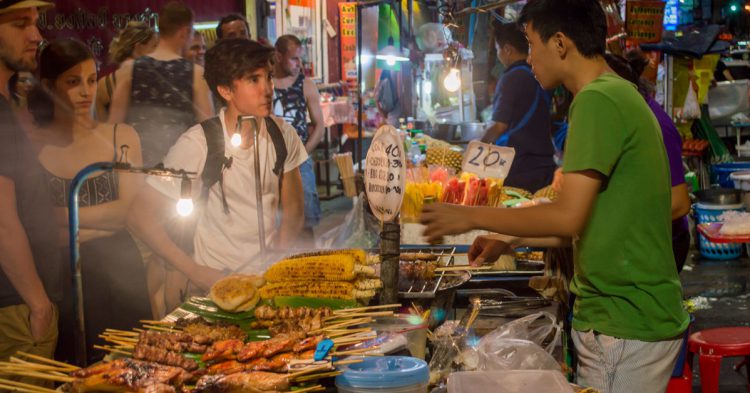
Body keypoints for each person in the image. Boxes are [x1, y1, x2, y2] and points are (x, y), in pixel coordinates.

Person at [420, 1, 689, 392]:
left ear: (560, 43)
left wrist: (472, 216)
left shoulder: (597, 99)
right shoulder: (617, 93)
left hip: (624, 323)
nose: (529, 59)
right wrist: (508, 239)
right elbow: (583, 227)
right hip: (631, 320)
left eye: (531, 44)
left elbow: (566, 218)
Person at [128, 39, 306, 312]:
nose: (267, 89)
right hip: (214, 286)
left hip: (266, 286)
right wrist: (195, 271)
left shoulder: (283, 135)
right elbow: (139, 215)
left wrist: (275, 267)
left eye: (268, 77)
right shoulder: (199, 142)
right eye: (253, 80)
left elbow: (293, 210)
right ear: (225, 90)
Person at [26, 38, 150, 363]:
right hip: (62, 276)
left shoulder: (121, 136)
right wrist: (86, 223)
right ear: (49, 86)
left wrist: (57, 214)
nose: (86, 91)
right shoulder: (33, 146)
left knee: (131, 368)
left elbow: (123, 213)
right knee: (77, 370)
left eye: (92, 80)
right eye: (73, 82)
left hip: (121, 269)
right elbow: (36, 230)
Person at [0, 0, 61, 364]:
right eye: (21, 24)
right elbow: (2, 221)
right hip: (15, 308)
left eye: (36, 24)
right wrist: (38, 304)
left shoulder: (7, 106)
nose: (36, 36)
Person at [605, 52, 691, 273]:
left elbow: (679, 203)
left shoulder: (656, 125)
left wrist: (614, 221)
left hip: (664, 242)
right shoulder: (628, 114)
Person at [108, 1, 213, 167]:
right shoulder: (196, 73)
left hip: (138, 168)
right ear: (185, 32)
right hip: (182, 170)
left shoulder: (129, 69)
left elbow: (114, 128)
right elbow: (208, 130)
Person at [481, 22, 556, 193]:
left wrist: (477, 147)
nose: (498, 54)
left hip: (519, 167)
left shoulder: (511, 77)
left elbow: (499, 126)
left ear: (507, 49)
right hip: (545, 165)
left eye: (498, 49)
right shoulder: (541, 74)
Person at [273, 35, 324, 241]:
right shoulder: (265, 84)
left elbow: (319, 125)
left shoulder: (306, 85)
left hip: (300, 162)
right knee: (274, 222)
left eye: (300, 59)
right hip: (271, 163)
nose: (299, 64)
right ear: (278, 56)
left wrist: (303, 152)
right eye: (294, 59)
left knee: (305, 221)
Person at [96, 21, 157, 122]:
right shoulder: (153, 80)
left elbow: (103, 129)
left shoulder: (103, 84)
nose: (158, 52)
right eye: (154, 46)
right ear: (138, 47)